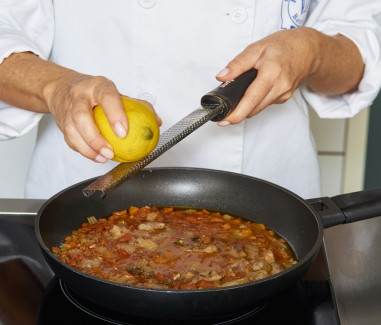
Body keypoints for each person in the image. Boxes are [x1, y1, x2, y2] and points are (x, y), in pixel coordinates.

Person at [0, 0, 380, 199]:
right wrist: (57, 89)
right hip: (82, 186)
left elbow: (357, 53)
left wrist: (312, 50)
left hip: (268, 191)